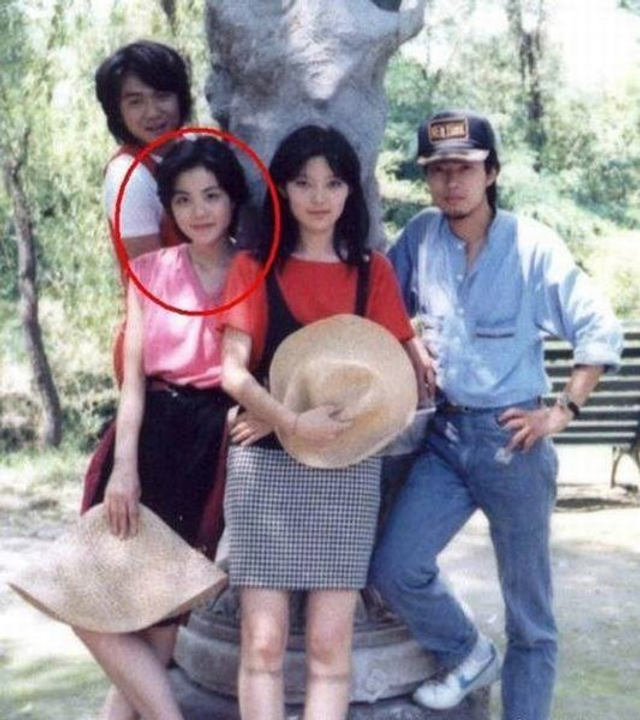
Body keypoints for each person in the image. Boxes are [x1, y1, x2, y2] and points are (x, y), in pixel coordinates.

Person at [369, 110, 624, 719]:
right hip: (444, 438)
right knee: (394, 567)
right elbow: (380, 302)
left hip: (515, 444)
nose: (451, 181)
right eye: (438, 170)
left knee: (529, 616)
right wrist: (410, 341)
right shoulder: (421, 237)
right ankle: (467, 652)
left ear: (491, 173)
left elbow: (598, 328)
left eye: (465, 167)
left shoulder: (531, 244)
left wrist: (560, 411)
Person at [219, 124, 428, 720]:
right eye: (304, 182)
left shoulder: (372, 271)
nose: (318, 196)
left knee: (329, 643)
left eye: (333, 183)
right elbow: (231, 372)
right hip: (264, 469)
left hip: (346, 465)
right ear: (282, 190)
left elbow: (392, 381)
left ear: (349, 192)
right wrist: (286, 418)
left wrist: (301, 420)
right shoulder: (253, 265)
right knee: (262, 642)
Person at [75, 136, 248, 720]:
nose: (199, 211)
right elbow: (133, 380)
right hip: (145, 438)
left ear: (233, 199)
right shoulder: (149, 271)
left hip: (208, 444)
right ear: (169, 208)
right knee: (87, 599)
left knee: (160, 625)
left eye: (211, 196)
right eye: (183, 199)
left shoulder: (253, 271)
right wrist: (123, 468)